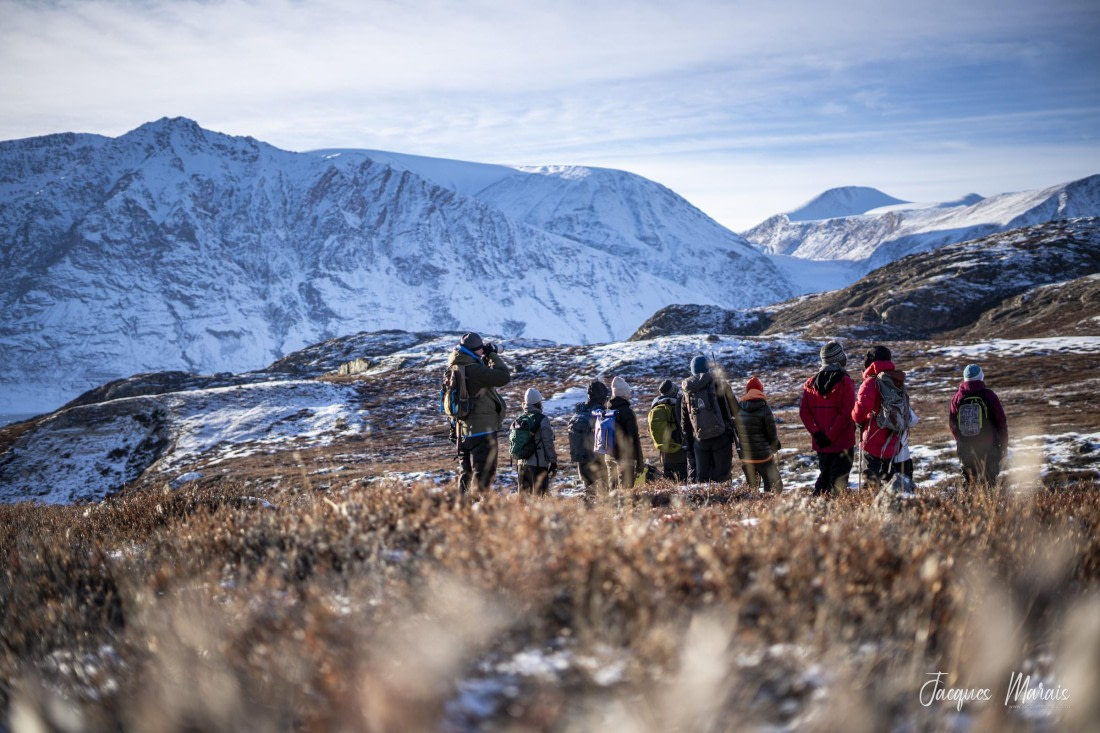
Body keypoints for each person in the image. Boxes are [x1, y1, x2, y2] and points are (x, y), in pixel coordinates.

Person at [447, 332, 511, 494]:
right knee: (483, 475)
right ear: (475, 350)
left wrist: (482, 358)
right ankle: (477, 512)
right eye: (481, 349)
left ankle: (461, 510)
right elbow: (503, 377)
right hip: (482, 431)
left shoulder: (456, 366)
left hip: (462, 431)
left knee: (466, 475)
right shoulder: (474, 370)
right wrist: (492, 356)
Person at [799, 341, 857, 496]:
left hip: (821, 445)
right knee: (838, 484)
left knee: (824, 478)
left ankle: (816, 511)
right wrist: (831, 435)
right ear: (839, 358)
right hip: (843, 442)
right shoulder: (845, 381)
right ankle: (833, 515)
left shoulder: (810, 383)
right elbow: (847, 413)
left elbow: (804, 413)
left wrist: (818, 434)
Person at [851, 345, 908, 489]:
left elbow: (860, 411)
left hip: (872, 439)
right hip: (892, 438)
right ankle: (894, 503)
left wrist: (855, 419)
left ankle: (870, 508)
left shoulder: (871, 382)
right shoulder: (897, 381)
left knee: (870, 480)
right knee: (888, 477)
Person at [948, 364, 1008, 487]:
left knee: (970, 483)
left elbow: (952, 424)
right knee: (989, 483)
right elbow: (1001, 422)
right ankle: (990, 505)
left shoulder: (957, 397)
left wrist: (961, 440)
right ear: (981, 377)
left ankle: (968, 505)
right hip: (988, 446)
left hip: (965, 447)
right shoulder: (989, 395)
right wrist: (1003, 444)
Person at [680, 355, 737, 483]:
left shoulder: (687, 392)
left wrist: (690, 447)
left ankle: (705, 502)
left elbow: (685, 424)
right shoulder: (719, 384)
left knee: (703, 481)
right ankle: (725, 503)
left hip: (700, 441)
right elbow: (736, 411)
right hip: (722, 437)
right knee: (723, 478)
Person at [735, 376, 783, 493]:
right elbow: (772, 433)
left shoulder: (739, 408)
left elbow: (737, 431)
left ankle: (752, 509)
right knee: (775, 485)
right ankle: (767, 508)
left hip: (746, 457)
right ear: (760, 390)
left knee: (752, 488)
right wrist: (775, 446)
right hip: (763, 457)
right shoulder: (764, 408)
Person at [569, 380, 611, 504]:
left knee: (588, 491)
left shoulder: (579, 410)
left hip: (581, 458)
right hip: (597, 458)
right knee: (603, 493)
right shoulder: (600, 412)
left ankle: (587, 518)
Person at [604, 376, 646, 491]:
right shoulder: (627, 412)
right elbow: (634, 438)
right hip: (624, 457)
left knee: (613, 490)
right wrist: (640, 461)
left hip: (609, 455)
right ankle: (625, 509)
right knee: (626, 491)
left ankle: (610, 508)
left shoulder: (607, 410)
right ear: (624, 394)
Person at [515, 387, 558, 496]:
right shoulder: (543, 420)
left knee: (523, 502)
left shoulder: (519, 420)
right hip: (538, 465)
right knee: (539, 501)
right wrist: (553, 461)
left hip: (521, 465)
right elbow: (548, 443)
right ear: (538, 403)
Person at [647, 379, 690, 482]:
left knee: (671, 483)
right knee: (683, 484)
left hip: (665, 455)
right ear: (674, 392)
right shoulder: (676, 406)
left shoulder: (655, 407)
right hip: (680, 453)